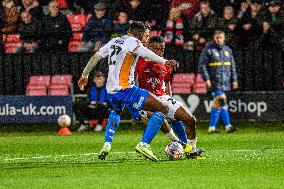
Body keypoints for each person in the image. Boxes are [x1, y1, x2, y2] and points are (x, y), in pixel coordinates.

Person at [78, 21, 179, 161]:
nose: (146, 38)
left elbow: (95, 57)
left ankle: (107, 144)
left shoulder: (114, 41)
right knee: (163, 108)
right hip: (126, 89)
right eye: (145, 35)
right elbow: (146, 53)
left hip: (111, 91)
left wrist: (84, 75)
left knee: (116, 112)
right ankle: (144, 144)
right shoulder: (133, 42)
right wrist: (165, 61)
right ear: (139, 34)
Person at [135, 36, 203, 158]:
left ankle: (192, 150)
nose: (160, 52)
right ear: (149, 48)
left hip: (163, 97)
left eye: (162, 49)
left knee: (190, 119)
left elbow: (167, 82)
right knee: (161, 115)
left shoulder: (165, 64)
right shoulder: (138, 62)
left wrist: (171, 100)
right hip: (146, 99)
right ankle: (146, 144)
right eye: (157, 49)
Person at [198, 30, 238, 133]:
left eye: (220, 37)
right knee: (222, 101)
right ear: (214, 38)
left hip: (225, 81)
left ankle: (212, 127)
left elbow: (232, 66)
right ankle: (228, 126)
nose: (219, 39)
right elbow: (202, 66)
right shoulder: (208, 49)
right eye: (217, 37)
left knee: (218, 103)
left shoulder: (227, 50)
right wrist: (206, 79)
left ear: (224, 38)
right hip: (214, 80)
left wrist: (234, 80)